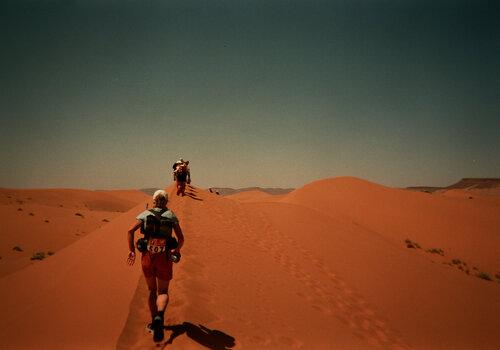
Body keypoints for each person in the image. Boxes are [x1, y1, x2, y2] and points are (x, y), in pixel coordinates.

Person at [126, 190, 184, 342]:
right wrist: (176, 251)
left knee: (152, 290)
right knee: (162, 291)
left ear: (153, 201)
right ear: (166, 201)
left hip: (147, 257)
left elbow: (130, 231)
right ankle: (160, 316)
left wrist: (132, 251)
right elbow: (181, 238)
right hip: (164, 258)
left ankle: (153, 322)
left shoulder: (145, 214)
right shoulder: (171, 215)